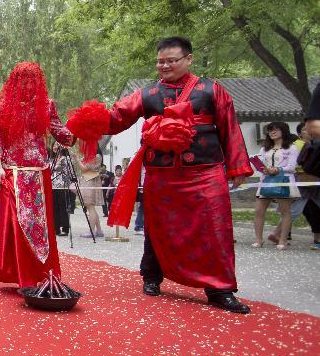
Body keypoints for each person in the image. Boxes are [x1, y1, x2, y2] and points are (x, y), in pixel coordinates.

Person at [100, 36, 252, 313]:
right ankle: (151, 276)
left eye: (171, 61)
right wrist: (89, 121)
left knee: (215, 229)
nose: (165, 66)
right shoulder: (147, 94)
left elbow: (230, 128)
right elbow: (116, 118)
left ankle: (220, 289)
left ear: (188, 59)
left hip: (205, 171)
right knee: (157, 227)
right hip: (162, 173)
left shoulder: (211, 90)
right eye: (160, 62)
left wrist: (237, 165)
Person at [0, 62, 75, 287]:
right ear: (15, 81)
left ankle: (41, 275)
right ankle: (20, 274)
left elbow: (59, 132)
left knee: (41, 226)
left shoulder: (47, 105)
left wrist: (82, 128)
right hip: (12, 171)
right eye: (23, 79)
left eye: (32, 79)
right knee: (18, 224)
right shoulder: (4, 104)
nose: (28, 84)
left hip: (39, 172)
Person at [252, 122, 300, 250]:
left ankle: (282, 240)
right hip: (265, 181)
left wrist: (277, 169)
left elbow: (291, 167)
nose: (272, 132)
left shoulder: (291, 148)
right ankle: (258, 240)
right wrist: (263, 169)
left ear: (283, 131)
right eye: (270, 130)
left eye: (275, 130)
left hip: (284, 180)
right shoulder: (264, 148)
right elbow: (261, 164)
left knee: (285, 211)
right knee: (259, 210)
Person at [77, 151, 104, 237]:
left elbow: (84, 169)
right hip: (89, 180)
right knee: (91, 207)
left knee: (90, 207)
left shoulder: (95, 156)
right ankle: (99, 230)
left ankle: (92, 231)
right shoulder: (95, 156)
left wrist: (77, 159)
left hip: (90, 181)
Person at [48, 142, 72, 236]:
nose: (55, 147)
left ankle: (65, 229)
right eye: (54, 145)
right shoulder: (50, 159)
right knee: (54, 208)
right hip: (52, 186)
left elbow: (58, 168)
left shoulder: (65, 159)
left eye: (57, 145)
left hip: (63, 186)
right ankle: (56, 228)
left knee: (63, 208)